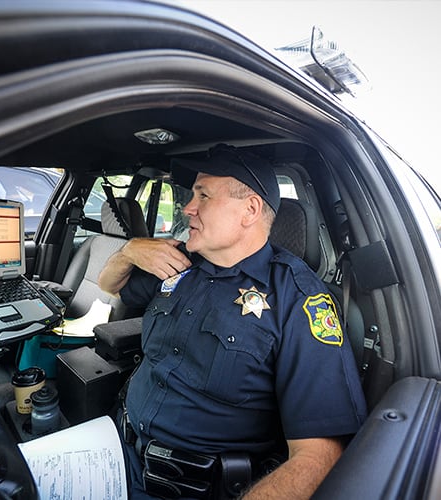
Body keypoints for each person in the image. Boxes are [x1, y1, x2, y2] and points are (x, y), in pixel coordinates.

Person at [98, 144, 367, 499]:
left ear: (250, 210)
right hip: (114, 449)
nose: (187, 207)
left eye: (203, 195)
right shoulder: (177, 259)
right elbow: (108, 287)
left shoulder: (299, 299)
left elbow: (322, 455)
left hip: (193, 488)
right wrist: (130, 250)